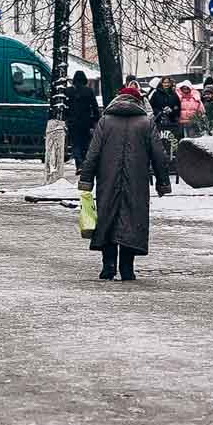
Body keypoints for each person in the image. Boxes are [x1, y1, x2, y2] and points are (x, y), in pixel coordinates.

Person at [78, 83, 171, 281]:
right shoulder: (146, 123)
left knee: (108, 218)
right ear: (139, 101)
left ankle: (109, 265)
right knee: (132, 219)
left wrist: (86, 180)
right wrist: (163, 182)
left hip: (107, 179)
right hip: (137, 182)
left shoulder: (105, 121)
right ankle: (127, 268)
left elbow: (92, 153)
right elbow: (159, 155)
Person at [64, 70, 101, 169]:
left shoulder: (68, 91)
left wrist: (66, 119)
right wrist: (95, 120)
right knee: (85, 143)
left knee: (75, 143)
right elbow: (94, 106)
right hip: (86, 122)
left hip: (72, 122)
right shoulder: (89, 91)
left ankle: (79, 163)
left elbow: (65, 107)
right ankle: (84, 164)